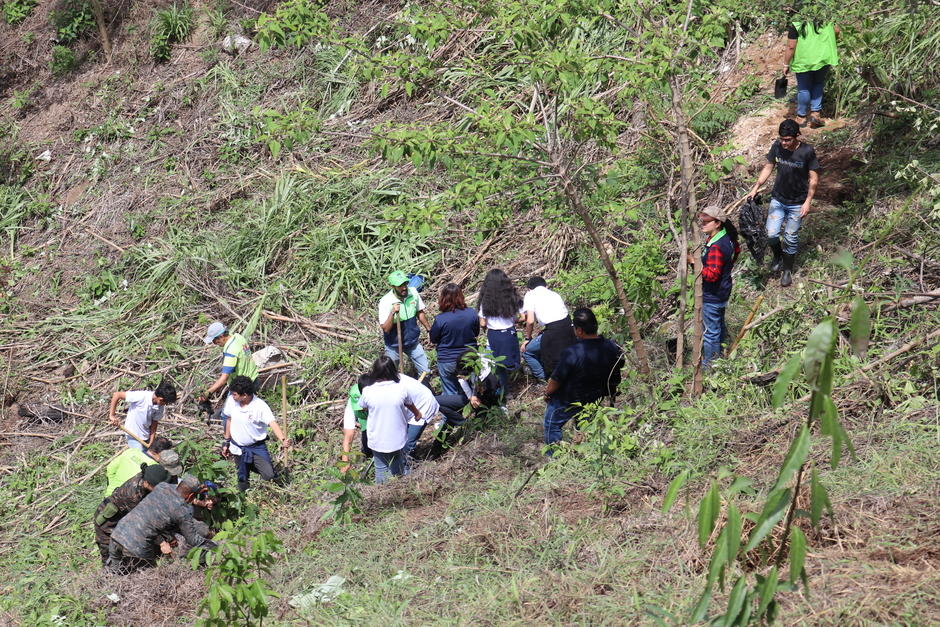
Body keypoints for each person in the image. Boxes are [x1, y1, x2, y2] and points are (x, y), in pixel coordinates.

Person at [747, 119, 820, 287]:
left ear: (797, 136)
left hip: (797, 202)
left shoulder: (807, 151)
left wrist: (808, 201)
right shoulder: (777, 147)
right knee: (771, 234)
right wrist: (756, 188)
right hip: (778, 199)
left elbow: (814, 177)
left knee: (790, 237)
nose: (784, 143)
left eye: (788, 139)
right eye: (782, 139)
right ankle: (778, 256)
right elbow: (768, 166)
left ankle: (787, 270)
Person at [543, 308, 625, 451]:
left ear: (579, 330)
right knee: (585, 425)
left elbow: (556, 379)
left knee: (552, 424)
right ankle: (584, 452)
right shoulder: (611, 346)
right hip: (596, 397)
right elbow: (618, 367)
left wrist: (547, 393)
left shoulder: (573, 352)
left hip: (569, 399)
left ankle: (555, 458)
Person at [108, 475, 216, 575]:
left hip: (117, 533)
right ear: (191, 495)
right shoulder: (182, 510)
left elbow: (162, 511)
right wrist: (217, 547)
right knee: (148, 579)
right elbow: (193, 539)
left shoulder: (162, 486)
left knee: (115, 575)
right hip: (136, 545)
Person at [357, 356, 422, 483]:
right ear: (393, 371)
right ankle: (400, 490)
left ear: (374, 371)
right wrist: (418, 415)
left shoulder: (367, 391)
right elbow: (411, 406)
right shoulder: (401, 388)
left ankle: (381, 494)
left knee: (381, 469)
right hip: (397, 439)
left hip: (376, 439)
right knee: (397, 467)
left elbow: (363, 406)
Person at [221, 376, 291, 491]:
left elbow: (272, 423)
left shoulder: (259, 406)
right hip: (238, 447)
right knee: (242, 481)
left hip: (256, 447)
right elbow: (229, 419)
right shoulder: (232, 401)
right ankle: (244, 501)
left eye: (235, 394)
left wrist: (283, 439)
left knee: (269, 475)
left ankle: (277, 481)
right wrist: (226, 442)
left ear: (244, 395)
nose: (232, 396)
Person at [94, 463, 170, 565]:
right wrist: (162, 542)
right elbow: (144, 523)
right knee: (111, 557)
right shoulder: (133, 495)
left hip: (125, 517)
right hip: (108, 523)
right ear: (147, 483)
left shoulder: (147, 475)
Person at [697, 206, 741, 368]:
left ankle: (710, 365)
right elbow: (736, 252)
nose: (703, 224)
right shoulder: (726, 238)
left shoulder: (716, 246)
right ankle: (720, 355)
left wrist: (694, 263)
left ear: (717, 223)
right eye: (702, 221)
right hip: (723, 290)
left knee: (710, 333)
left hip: (713, 294)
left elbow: (712, 275)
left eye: (707, 222)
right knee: (718, 325)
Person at [200, 321, 259, 427]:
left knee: (227, 416)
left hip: (241, 388)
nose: (215, 344)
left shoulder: (230, 352)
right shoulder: (238, 337)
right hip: (254, 379)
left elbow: (223, 379)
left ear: (222, 336)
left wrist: (207, 393)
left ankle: (228, 438)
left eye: (215, 341)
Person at [784, 20, 839, 129]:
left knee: (804, 88)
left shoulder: (797, 23)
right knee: (818, 83)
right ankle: (815, 114)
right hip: (823, 57)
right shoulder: (826, 19)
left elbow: (791, 46)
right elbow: (836, 30)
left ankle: (801, 117)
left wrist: (786, 64)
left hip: (803, 60)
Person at [520, 277, 576, 383]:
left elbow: (530, 320)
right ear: (546, 286)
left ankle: (542, 378)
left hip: (553, 331)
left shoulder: (530, 295)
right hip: (569, 328)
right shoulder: (554, 294)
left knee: (527, 351)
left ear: (529, 289)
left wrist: (528, 338)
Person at [477, 269, 523, 398]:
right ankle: (507, 391)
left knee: (492, 365)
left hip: (494, 335)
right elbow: (522, 316)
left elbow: (482, 323)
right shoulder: (512, 297)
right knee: (509, 363)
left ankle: (497, 392)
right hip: (510, 333)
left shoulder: (485, 301)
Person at [429, 283, 479, 396]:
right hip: (469, 358)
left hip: (447, 359)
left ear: (443, 299)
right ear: (461, 296)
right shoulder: (471, 313)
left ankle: (453, 412)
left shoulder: (440, 319)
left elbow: (434, 339)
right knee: (472, 389)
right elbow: (476, 333)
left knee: (450, 391)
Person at [378, 271, 432, 376]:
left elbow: (419, 312)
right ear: (393, 286)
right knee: (390, 376)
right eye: (400, 286)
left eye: (405, 284)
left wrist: (429, 329)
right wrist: (392, 313)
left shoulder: (413, 293)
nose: (404, 288)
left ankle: (421, 390)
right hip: (394, 345)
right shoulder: (385, 301)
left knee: (425, 372)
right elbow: (386, 329)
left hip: (412, 342)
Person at [435, 349, 501, 433]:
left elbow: (488, 402)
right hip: (470, 399)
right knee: (435, 400)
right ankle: (462, 423)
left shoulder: (489, 377)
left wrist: (475, 399)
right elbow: (461, 379)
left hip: (482, 404)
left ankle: (465, 424)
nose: (461, 376)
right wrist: (471, 396)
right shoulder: (468, 362)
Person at [107, 381, 177, 450]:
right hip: (133, 434)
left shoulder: (160, 407)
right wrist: (112, 415)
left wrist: (151, 441)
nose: (165, 405)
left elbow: (154, 424)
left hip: (146, 436)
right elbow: (117, 395)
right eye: (166, 403)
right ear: (160, 399)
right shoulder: (141, 396)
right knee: (139, 455)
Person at [103, 437, 181, 497]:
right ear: (162, 453)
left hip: (110, 495)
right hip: (128, 503)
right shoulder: (154, 468)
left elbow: (110, 469)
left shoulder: (131, 451)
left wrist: (113, 485)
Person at [400, 372, 440, 458]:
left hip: (423, 407)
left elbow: (409, 405)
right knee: (402, 439)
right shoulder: (386, 383)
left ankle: (407, 465)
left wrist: (417, 414)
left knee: (408, 442)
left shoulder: (397, 386)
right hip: (412, 409)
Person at [341, 373, 375, 467]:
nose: (362, 409)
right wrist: (345, 462)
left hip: (380, 418)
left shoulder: (379, 398)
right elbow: (348, 435)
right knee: (367, 446)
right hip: (365, 421)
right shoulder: (350, 405)